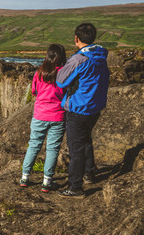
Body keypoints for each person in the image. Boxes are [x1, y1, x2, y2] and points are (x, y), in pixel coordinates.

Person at [56, 23, 110, 198]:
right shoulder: (101, 56)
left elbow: (61, 81)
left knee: (76, 148)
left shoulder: (78, 59)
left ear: (76, 38)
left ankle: (75, 186)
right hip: (95, 107)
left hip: (78, 108)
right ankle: (89, 173)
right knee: (86, 140)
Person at [20, 44, 67, 192]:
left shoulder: (39, 73)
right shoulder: (64, 73)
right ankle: (47, 182)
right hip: (58, 115)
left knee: (34, 145)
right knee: (52, 149)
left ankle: (25, 177)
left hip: (40, 115)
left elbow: (34, 91)